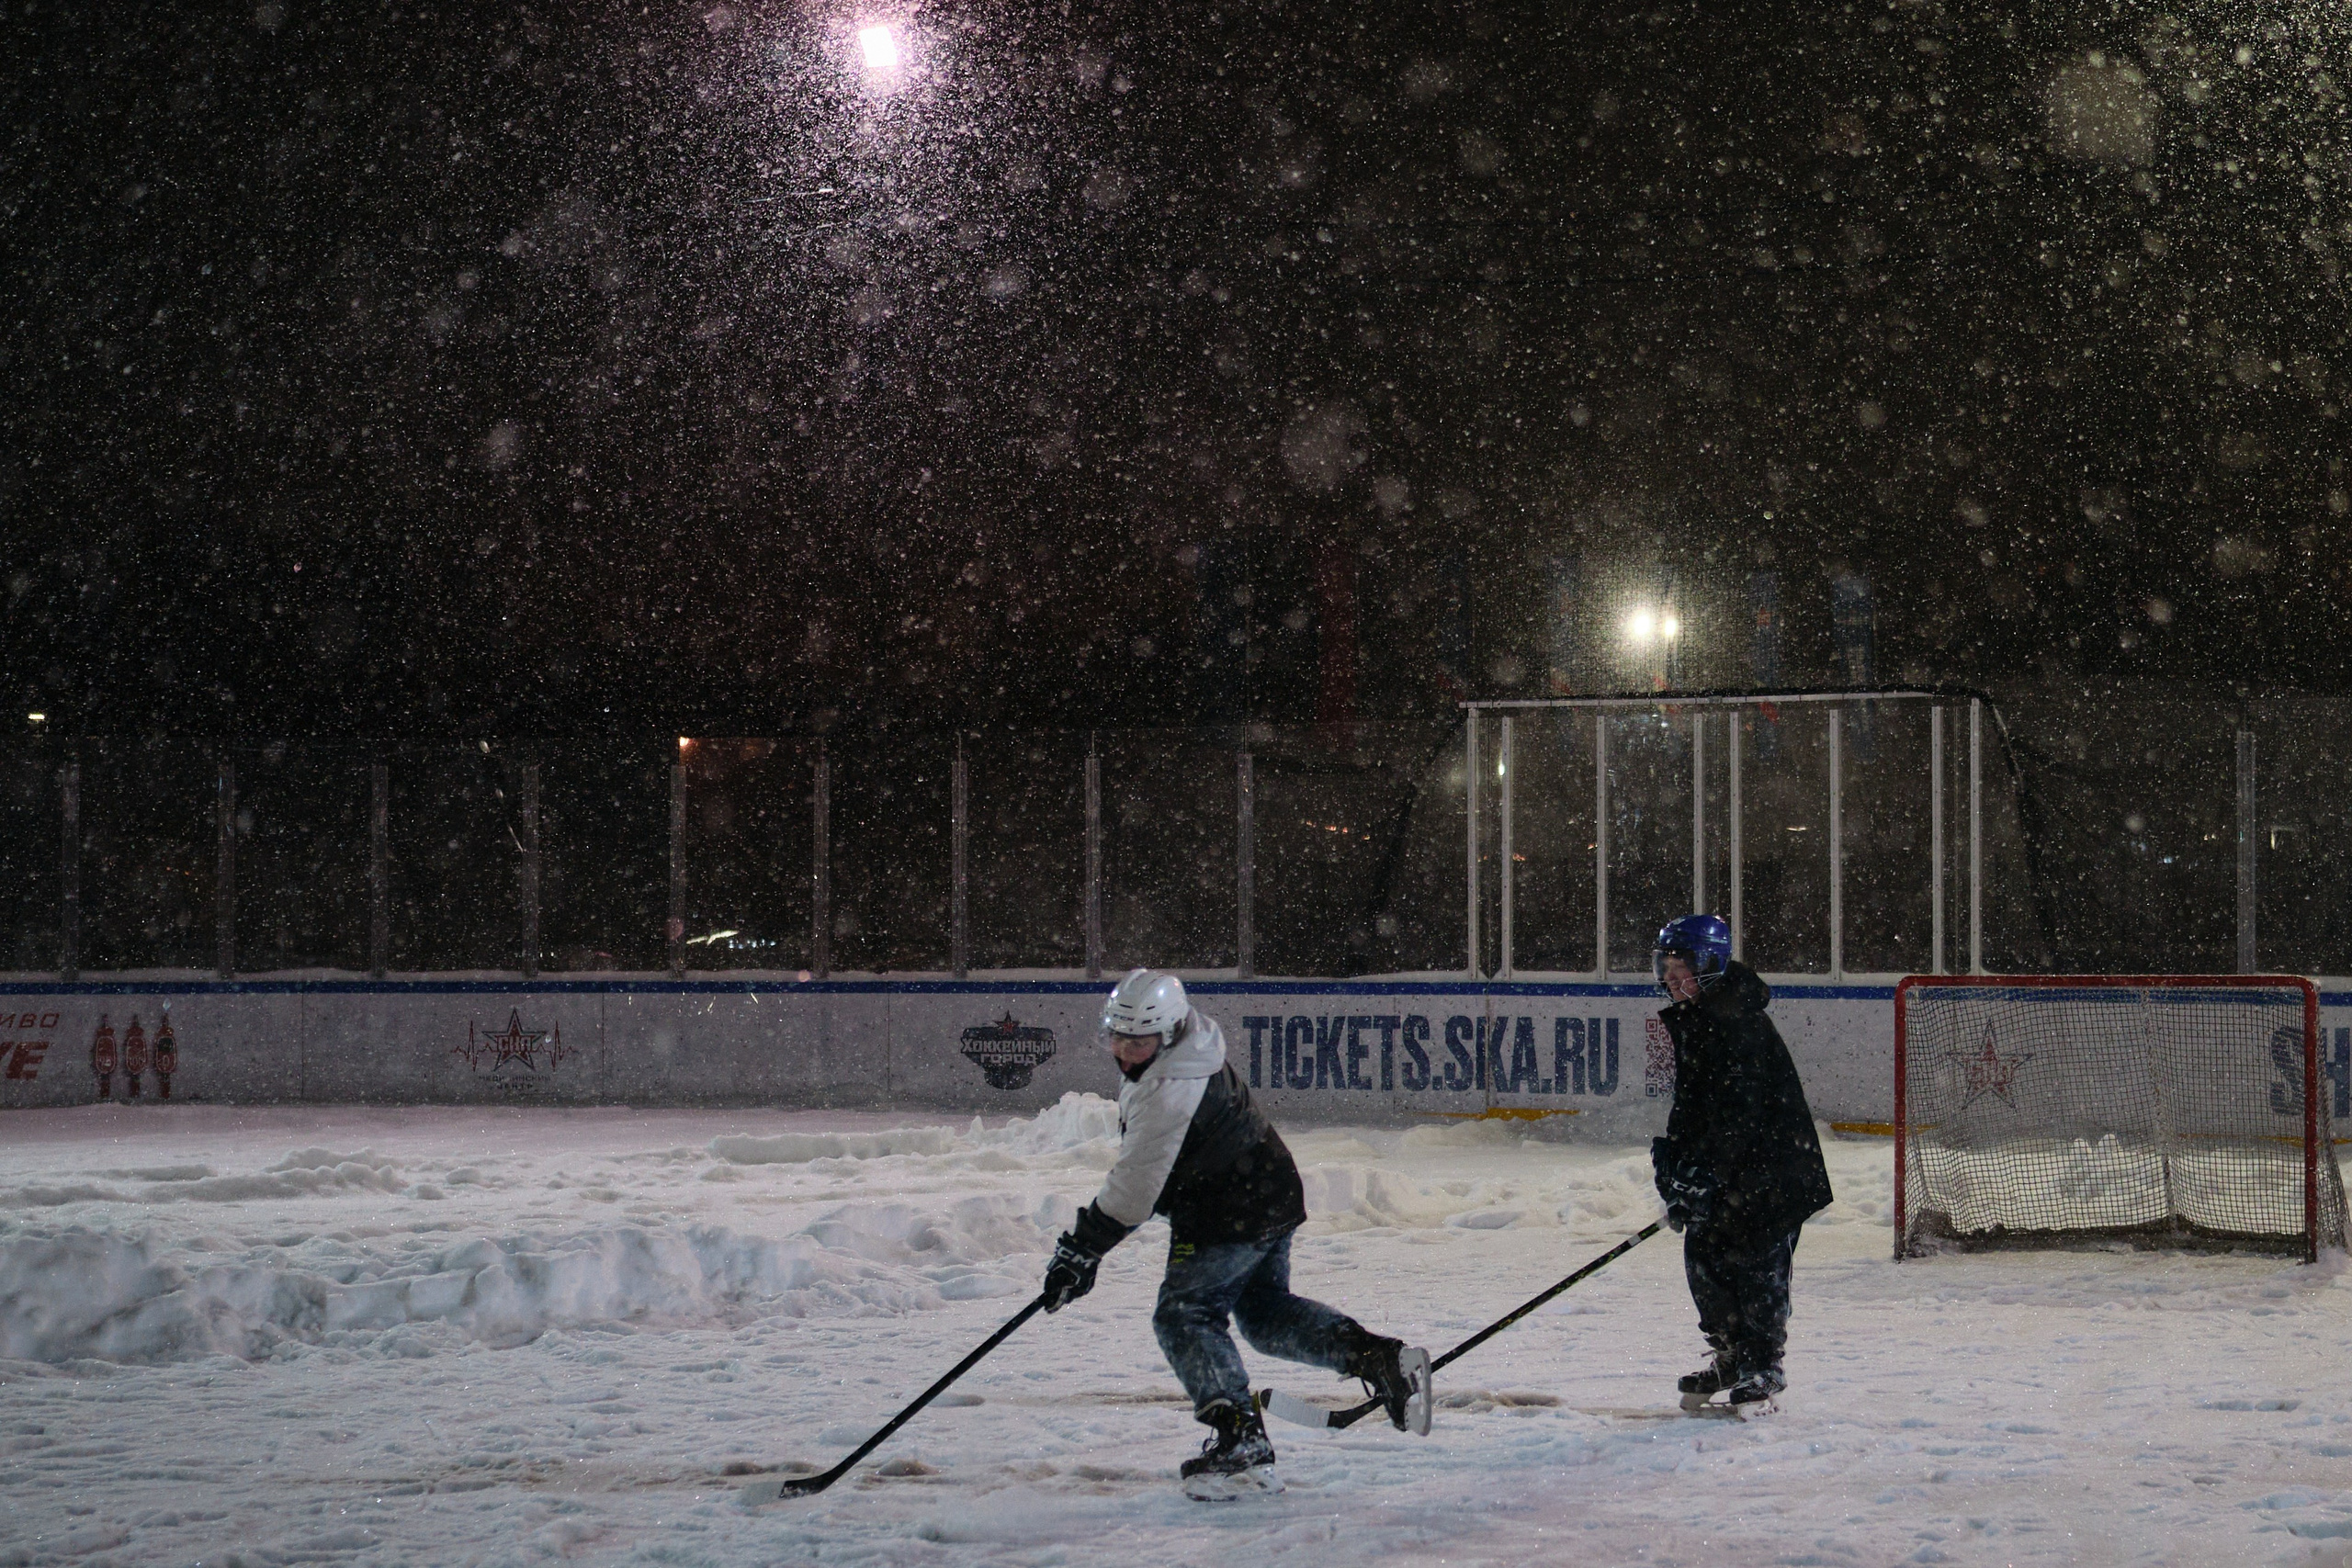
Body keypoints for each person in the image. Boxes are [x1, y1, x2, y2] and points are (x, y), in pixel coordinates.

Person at [1039, 967, 1425, 1498]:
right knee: (1264, 1316)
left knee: (1184, 1316)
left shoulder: (1171, 1087)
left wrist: (1081, 1251)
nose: (1127, 1053)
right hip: (1267, 1187)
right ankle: (1381, 1359)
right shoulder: (1191, 1045)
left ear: (1169, 1032)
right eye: (1119, 1040)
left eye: (1141, 1041)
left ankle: (1241, 1439)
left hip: (1229, 1209)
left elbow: (1132, 1193)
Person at [1648, 914, 1834, 1411]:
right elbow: (1694, 1107)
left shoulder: (1736, 1021)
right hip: (1731, 1173)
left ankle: (1763, 1364)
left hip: (1771, 1174)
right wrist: (1674, 1168)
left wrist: (1705, 1172)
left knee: (1758, 1266)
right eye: (1665, 966)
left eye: (1679, 966)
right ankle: (1730, 1356)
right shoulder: (1698, 1017)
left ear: (1707, 966)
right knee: (1704, 1259)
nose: (1669, 978)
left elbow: (1739, 1113)